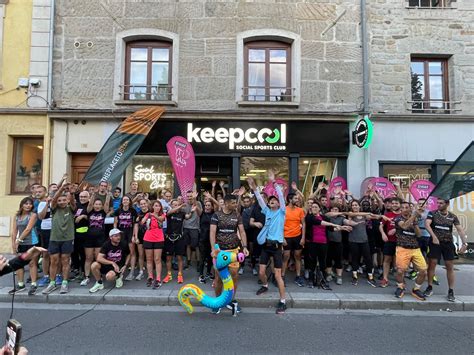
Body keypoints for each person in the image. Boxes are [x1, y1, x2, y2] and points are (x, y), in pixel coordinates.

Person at [248, 178, 287, 314]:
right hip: (266, 245)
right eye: (270, 200)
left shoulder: (282, 212)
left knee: (277, 276)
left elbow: (281, 197)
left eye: (274, 200)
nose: (272, 201)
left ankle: (283, 301)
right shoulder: (267, 211)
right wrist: (254, 188)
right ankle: (265, 285)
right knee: (261, 272)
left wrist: (274, 183)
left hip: (277, 247)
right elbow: (259, 199)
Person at [209, 194, 249, 314]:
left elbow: (242, 231)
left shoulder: (237, 215)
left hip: (234, 251)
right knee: (219, 278)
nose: (235, 204)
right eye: (233, 202)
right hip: (220, 252)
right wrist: (213, 250)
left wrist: (245, 247)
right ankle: (218, 301)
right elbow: (212, 232)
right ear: (226, 203)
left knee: (234, 276)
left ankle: (231, 300)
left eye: (235, 202)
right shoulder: (216, 215)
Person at [424, 199, 468, 302]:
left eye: (441, 203)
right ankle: (429, 287)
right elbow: (427, 225)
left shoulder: (452, 216)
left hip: (448, 243)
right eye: (437, 203)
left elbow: (460, 229)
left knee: (449, 266)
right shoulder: (432, 213)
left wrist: (465, 243)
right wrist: (434, 237)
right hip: (435, 243)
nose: (438, 205)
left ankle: (451, 291)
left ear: (447, 204)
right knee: (432, 264)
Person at [305, 202, 350, 289]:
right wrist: (334, 224)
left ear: (319, 209)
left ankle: (323, 280)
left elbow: (331, 229)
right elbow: (319, 222)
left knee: (323, 262)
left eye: (316, 207)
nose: (314, 208)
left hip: (323, 243)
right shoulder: (309, 217)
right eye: (312, 207)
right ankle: (311, 280)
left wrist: (341, 228)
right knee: (312, 261)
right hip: (312, 243)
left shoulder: (324, 217)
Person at [42, 182, 76, 295]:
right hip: (54, 238)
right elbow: (54, 199)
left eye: (64, 200)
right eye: (60, 200)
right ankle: (52, 283)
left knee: (65, 261)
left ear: (67, 201)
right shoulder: (54, 208)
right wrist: (61, 188)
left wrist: (71, 192)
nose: (61, 202)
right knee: (54, 261)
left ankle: (64, 283)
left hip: (67, 238)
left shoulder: (71, 208)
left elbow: (72, 201)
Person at [343, 200, 385, 287]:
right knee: (355, 258)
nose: (354, 206)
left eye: (356, 205)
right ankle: (354, 276)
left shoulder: (365, 215)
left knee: (368, 258)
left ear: (359, 206)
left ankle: (370, 276)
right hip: (353, 240)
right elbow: (351, 218)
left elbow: (375, 217)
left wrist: (382, 216)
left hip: (364, 240)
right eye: (353, 205)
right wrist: (366, 214)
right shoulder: (351, 214)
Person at [393, 202, 427, 300]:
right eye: (402, 207)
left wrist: (415, 223)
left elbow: (419, 234)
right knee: (400, 271)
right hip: (402, 248)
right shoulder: (398, 219)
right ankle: (400, 287)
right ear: (400, 210)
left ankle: (416, 289)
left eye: (407, 207)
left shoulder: (414, 219)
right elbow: (404, 226)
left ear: (410, 209)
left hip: (415, 248)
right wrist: (413, 216)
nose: (404, 209)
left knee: (423, 271)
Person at [9, 197, 40, 295]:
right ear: (22, 205)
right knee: (19, 263)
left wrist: (19, 240)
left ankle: (34, 284)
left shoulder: (33, 215)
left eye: (30, 204)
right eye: (26, 204)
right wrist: (14, 243)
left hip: (32, 241)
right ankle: (20, 284)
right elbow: (14, 231)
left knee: (32, 263)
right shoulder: (17, 216)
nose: (28, 205)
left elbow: (28, 229)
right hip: (20, 242)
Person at [80, 195, 110, 286]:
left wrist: (108, 194)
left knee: (98, 258)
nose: (97, 206)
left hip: (100, 238)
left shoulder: (103, 212)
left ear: (101, 206)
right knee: (88, 258)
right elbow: (89, 205)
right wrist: (93, 194)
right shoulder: (89, 212)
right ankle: (87, 277)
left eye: (99, 204)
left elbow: (107, 204)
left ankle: (98, 276)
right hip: (89, 237)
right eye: (96, 204)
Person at [89, 228, 130, 293]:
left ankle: (118, 277)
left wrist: (125, 265)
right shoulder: (106, 244)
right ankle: (99, 283)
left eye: (119, 235)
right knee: (94, 265)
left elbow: (129, 254)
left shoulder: (123, 244)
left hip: (118, 266)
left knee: (109, 277)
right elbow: (99, 258)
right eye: (116, 236)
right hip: (107, 264)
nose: (118, 237)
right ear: (111, 237)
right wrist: (112, 262)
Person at [282, 192, 306, 287]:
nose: (297, 200)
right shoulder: (284, 210)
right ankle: (282, 276)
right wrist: (282, 237)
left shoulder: (300, 210)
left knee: (298, 256)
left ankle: (298, 276)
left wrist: (303, 237)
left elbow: (303, 223)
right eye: (295, 198)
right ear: (290, 200)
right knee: (286, 256)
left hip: (297, 236)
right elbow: (280, 224)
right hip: (286, 236)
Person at [141, 200, 166, 288]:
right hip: (148, 238)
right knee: (149, 259)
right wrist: (145, 216)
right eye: (155, 206)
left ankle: (158, 278)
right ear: (152, 207)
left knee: (157, 259)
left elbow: (161, 219)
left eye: (159, 206)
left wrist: (153, 215)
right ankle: (150, 276)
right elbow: (142, 222)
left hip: (159, 239)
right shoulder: (148, 214)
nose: (157, 207)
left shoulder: (162, 214)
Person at [379, 197, 402, 287]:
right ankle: (385, 279)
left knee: (399, 263)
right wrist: (383, 234)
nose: (394, 205)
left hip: (401, 242)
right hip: (389, 241)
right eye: (393, 203)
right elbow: (381, 226)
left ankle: (400, 280)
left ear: (400, 204)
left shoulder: (403, 215)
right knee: (387, 260)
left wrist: (396, 229)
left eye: (396, 203)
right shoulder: (388, 214)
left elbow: (407, 226)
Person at [325, 203, 351, 285]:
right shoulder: (327, 217)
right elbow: (328, 214)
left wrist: (353, 223)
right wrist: (341, 213)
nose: (334, 211)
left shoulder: (341, 219)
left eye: (336, 209)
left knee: (338, 260)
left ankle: (339, 276)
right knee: (328, 259)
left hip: (338, 242)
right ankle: (328, 274)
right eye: (333, 209)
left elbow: (347, 221)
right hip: (328, 242)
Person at [113, 195, 138, 280]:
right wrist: (114, 233)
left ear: (130, 201)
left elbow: (135, 224)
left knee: (132, 252)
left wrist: (134, 235)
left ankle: (132, 273)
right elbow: (115, 222)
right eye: (124, 200)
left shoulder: (133, 211)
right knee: (121, 251)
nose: (125, 201)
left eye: (127, 200)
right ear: (122, 201)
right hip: (121, 233)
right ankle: (119, 270)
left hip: (130, 232)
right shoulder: (118, 211)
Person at [163, 199, 186, 284]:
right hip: (169, 238)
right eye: (174, 205)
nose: (176, 206)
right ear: (171, 206)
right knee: (169, 258)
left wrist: (192, 210)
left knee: (179, 257)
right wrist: (180, 206)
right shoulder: (169, 213)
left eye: (177, 205)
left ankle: (180, 275)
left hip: (179, 238)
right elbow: (169, 212)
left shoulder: (182, 214)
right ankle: (169, 275)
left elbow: (188, 216)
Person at [198, 192, 218, 283]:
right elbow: (196, 206)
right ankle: (201, 275)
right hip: (202, 239)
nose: (206, 206)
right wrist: (194, 199)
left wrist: (211, 198)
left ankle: (209, 273)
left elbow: (219, 206)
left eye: (208, 205)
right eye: (205, 205)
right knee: (202, 258)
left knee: (211, 257)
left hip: (212, 240)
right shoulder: (202, 213)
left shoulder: (215, 214)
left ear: (212, 207)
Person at [37, 187, 53, 287]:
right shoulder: (42, 203)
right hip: (45, 230)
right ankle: (46, 275)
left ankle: (57, 275)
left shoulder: (58, 202)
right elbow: (41, 217)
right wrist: (47, 204)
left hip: (56, 230)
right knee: (46, 254)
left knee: (56, 254)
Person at [71, 190, 90, 282]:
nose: (82, 198)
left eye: (84, 197)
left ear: (88, 197)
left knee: (83, 254)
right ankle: (77, 270)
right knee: (74, 252)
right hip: (75, 233)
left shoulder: (90, 205)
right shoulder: (77, 205)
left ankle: (83, 272)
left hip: (85, 234)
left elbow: (92, 216)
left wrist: (83, 216)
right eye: (81, 197)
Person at [183, 191, 202, 268]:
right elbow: (185, 216)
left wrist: (195, 205)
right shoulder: (185, 205)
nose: (189, 198)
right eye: (188, 196)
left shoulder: (198, 203)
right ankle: (188, 261)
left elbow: (200, 214)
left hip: (195, 228)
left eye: (191, 196)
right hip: (186, 227)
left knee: (196, 246)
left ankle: (198, 262)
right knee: (188, 245)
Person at [133, 198, 149, 281]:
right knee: (141, 254)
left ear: (147, 203)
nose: (143, 205)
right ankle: (141, 271)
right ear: (139, 205)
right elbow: (136, 225)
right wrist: (135, 237)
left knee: (150, 256)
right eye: (141, 204)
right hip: (140, 235)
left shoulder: (151, 212)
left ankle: (150, 273)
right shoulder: (138, 214)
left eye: (144, 203)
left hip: (150, 237)